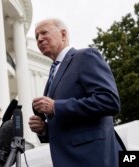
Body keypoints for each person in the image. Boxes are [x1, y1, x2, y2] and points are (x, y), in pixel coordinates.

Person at [28, 18, 121, 167]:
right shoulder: (53, 73)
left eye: (44, 32)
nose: (39, 39)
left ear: (63, 35)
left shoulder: (85, 56)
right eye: (36, 35)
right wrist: (44, 129)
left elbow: (109, 100)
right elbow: (66, 124)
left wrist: (56, 107)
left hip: (93, 158)